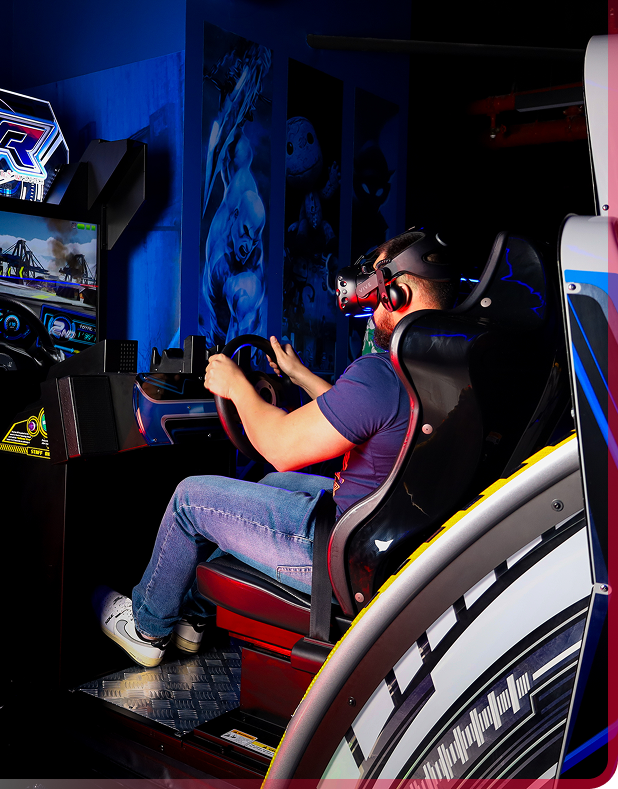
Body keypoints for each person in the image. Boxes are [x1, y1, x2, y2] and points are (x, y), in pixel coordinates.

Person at [96, 231, 459, 667]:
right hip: (382, 539)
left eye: (376, 287)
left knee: (189, 499)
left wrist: (236, 387)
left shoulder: (382, 373)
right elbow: (361, 414)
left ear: (398, 294)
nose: (369, 299)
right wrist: (298, 374)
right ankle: (193, 617)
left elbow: (282, 446)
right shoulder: (436, 369)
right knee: (273, 482)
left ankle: (147, 629)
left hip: (337, 554)